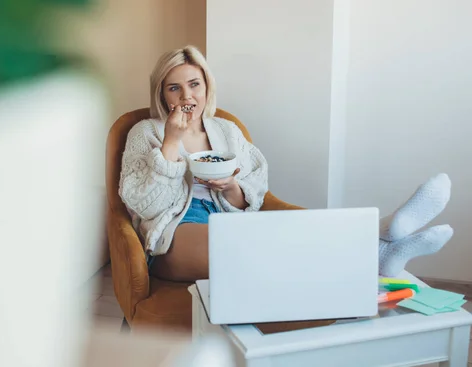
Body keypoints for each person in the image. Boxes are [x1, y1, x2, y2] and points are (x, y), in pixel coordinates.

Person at [119, 45, 453, 282]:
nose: (186, 97)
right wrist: (171, 143)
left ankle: (382, 239)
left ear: (207, 87)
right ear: (162, 94)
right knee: (257, 250)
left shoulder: (226, 130)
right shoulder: (145, 132)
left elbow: (255, 192)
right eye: (174, 88)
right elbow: (143, 204)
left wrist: (232, 186)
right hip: (175, 232)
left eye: (194, 84)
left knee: (296, 228)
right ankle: (377, 247)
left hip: (231, 219)